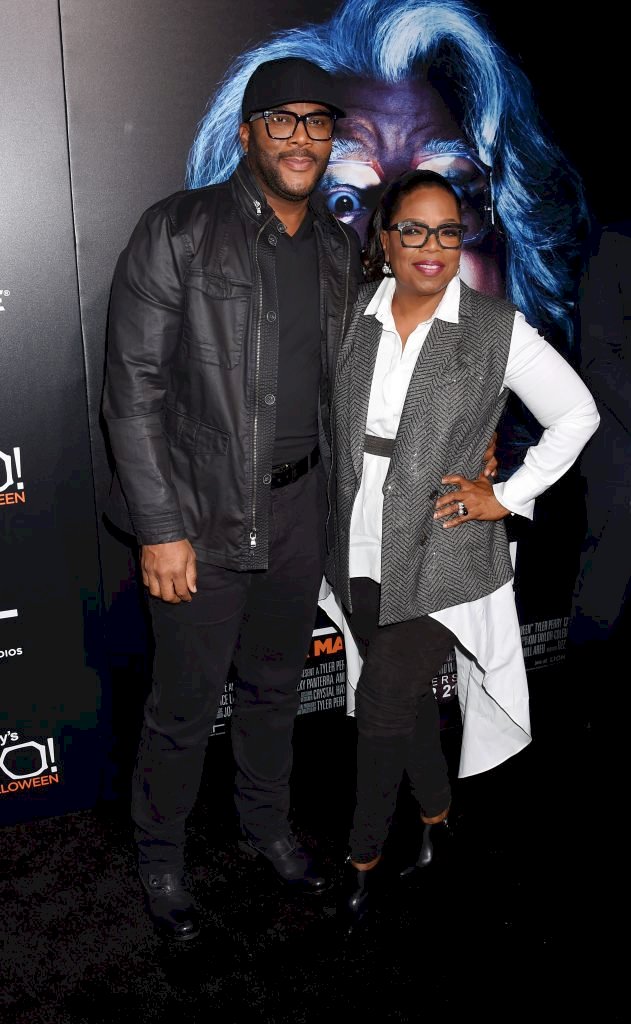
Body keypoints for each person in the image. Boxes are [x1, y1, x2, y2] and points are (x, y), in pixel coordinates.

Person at [185, 0, 591, 700]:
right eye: (344, 202)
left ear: (504, 231)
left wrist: (505, 489)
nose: (402, 242)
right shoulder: (274, 497)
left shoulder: (575, 529)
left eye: (451, 199)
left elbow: (571, 418)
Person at [101, 57, 366, 942]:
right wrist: (161, 528)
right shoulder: (178, 229)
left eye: (316, 122)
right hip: (201, 515)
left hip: (301, 511)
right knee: (182, 708)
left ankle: (266, 828)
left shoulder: (336, 248)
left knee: (273, 689)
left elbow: (365, 380)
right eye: (280, 120)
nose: (299, 137)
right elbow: (131, 390)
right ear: (247, 132)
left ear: (331, 139)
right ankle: (161, 860)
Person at [325, 169, 599, 930]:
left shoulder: (492, 325)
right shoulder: (348, 314)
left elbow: (575, 413)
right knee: (398, 689)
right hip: (357, 537)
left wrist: (505, 493)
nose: (432, 247)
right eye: (413, 229)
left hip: (444, 544)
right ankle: (439, 820)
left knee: (379, 699)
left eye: (448, 231)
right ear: (383, 237)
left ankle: (362, 862)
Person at [565, 220, 631, 757]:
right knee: (609, 583)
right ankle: (584, 713)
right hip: (620, 452)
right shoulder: (614, 239)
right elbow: (599, 354)